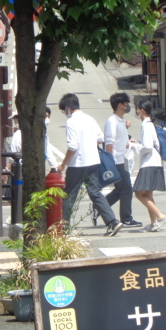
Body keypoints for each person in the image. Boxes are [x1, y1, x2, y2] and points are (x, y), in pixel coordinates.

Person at [57, 93, 123, 236]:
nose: (65, 113)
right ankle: (112, 221)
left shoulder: (71, 122)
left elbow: (73, 146)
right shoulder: (89, 118)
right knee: (95, 192)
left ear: (68, 108)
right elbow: (100, 138)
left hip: (78, 164)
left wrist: (63, 165)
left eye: (64, 111)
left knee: (69, 195)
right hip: (93, 161)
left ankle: (64, 227)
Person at [90, 93, 141, 228]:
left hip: (122, 159)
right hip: (116, 161)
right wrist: (109, 161)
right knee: (127, 189)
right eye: (126, 104)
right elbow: (109, 142)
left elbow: (119, 138)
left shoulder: (121, 121)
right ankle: (126, 218)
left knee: (120, 190)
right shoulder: (112, 121)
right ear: (120, 105)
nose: (128, 106)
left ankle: (97, 207)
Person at [130, 100, 166, 232]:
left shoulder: (146, 125)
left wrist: (133, 145)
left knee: (139, 193)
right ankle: (153, 223)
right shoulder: (150, 124)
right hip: (156, 162)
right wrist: (137, 142)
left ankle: (160, 216)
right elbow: (149, 143)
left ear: (141, 110)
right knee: (148, 194)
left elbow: (147, 146)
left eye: (137, 108)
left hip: (149, 163)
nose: (136, 111)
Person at [45, 106, 59, 172]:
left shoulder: (44, 134)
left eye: (48, 116)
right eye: (44, 116)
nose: (47, 119)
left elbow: (48, 151)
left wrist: (55, 167)